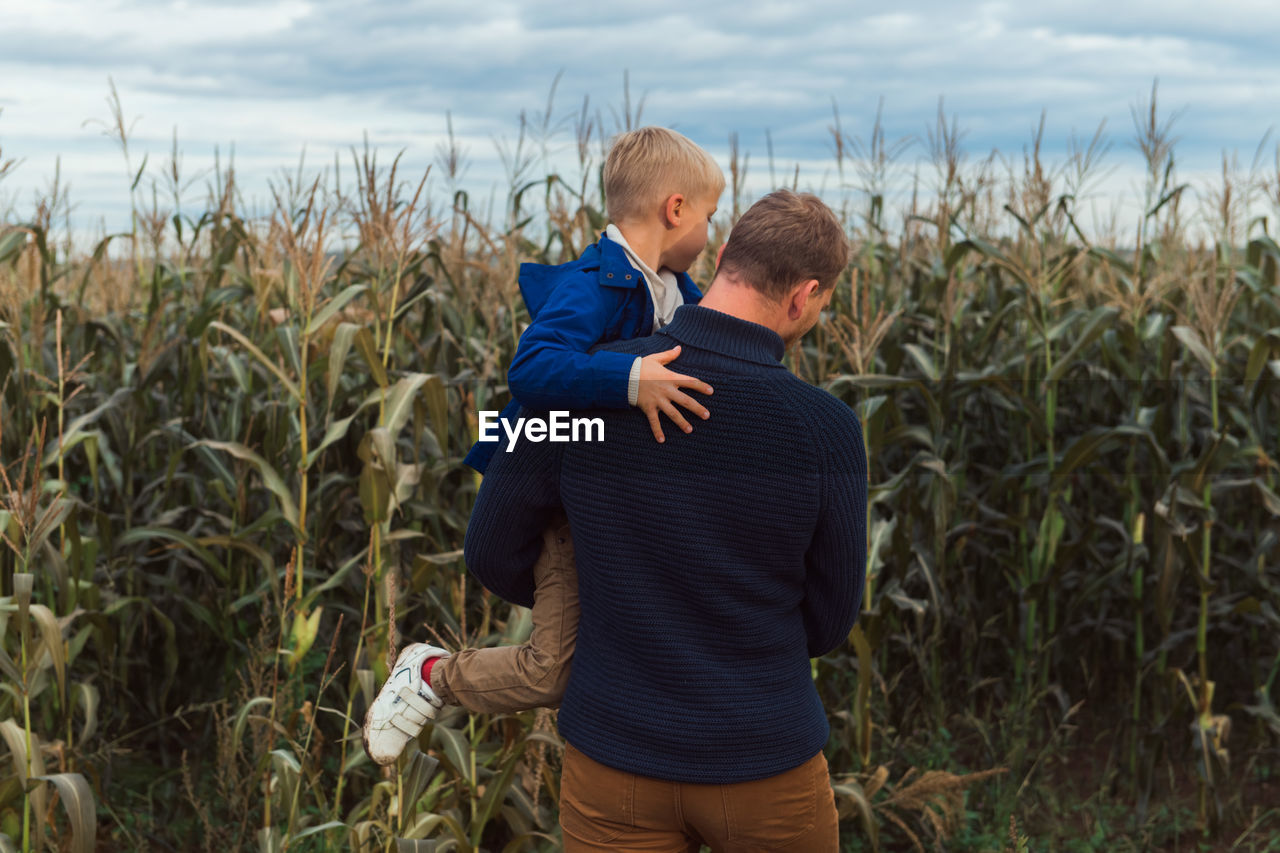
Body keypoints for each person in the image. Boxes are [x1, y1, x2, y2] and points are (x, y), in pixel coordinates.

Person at [465, 189, 867, 850]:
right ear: (805, 296)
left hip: (613, 758)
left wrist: (601, 608)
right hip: (765, 762)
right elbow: (827, 621)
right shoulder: (826, 431)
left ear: (727, 259)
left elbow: (492, 549)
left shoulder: (587, 389)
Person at [363, 126, 725, 765]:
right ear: (675, 210)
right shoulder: (596, 281)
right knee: (548, 672)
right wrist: (630, 377)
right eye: (709, 217)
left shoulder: (675, 288)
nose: (710, 235)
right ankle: (428, 675)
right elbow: (531, 368)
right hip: (562, 502)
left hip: (616, 504)